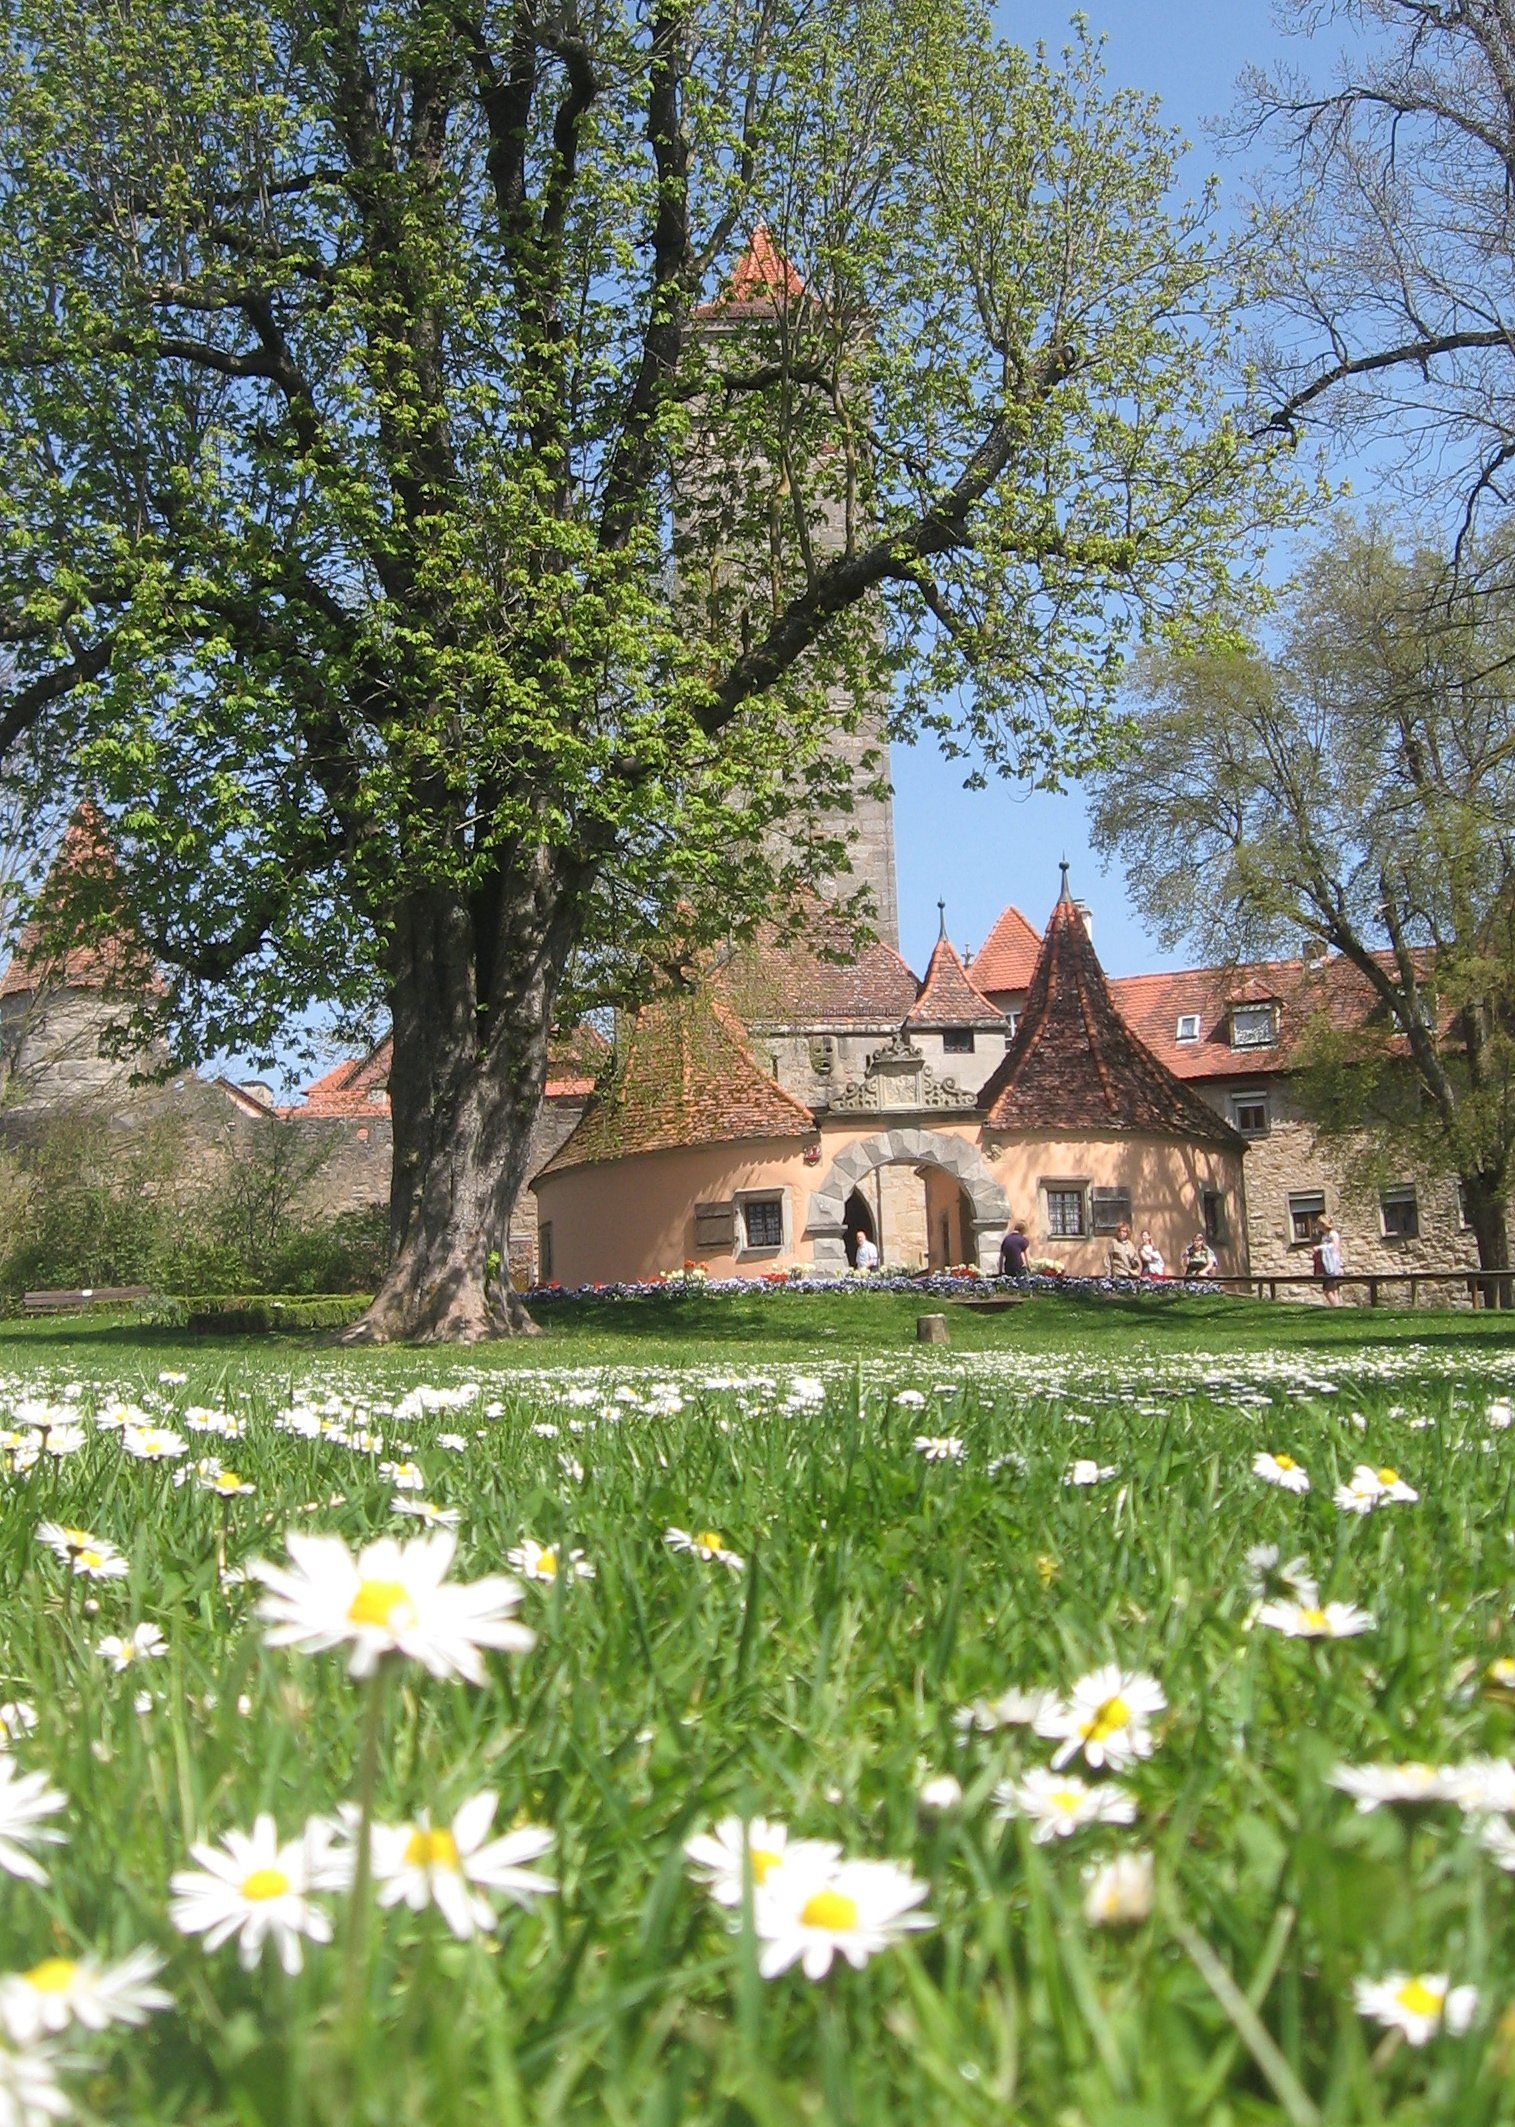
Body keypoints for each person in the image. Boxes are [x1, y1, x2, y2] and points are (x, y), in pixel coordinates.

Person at [1314, 1215, 1344, 1305]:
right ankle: (1338, 1308)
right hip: (1326, 1264)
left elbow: (1335, 1247)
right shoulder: (1324, 1236)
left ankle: (1336, 1308)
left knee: (1328, 1290)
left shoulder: (1333, 1234)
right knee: (1333, 1289)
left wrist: (1320, 1247)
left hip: (1333, 1265)